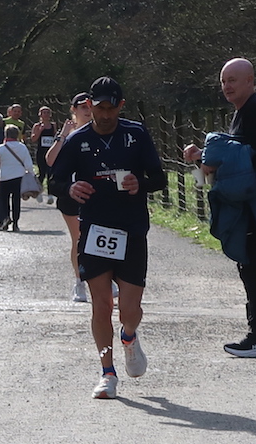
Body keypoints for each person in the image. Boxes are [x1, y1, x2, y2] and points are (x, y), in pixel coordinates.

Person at [50, 77, 167, 399]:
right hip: (95, 229)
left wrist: (140, 184)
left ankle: (129, 336)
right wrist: (70, 188)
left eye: (110, 109)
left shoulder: (136, 134)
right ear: (89, 106)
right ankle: (107, 373)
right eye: (99, 108)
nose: (104, 115)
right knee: (101, 305)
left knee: (130, 309)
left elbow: (159, 178)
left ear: (120, 106)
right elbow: (54, 182)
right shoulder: (77, 140)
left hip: (131, 228)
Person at [183, 58, 256, 358]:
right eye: (223, 81)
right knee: (249, 265)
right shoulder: (244, 111)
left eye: (232, 80)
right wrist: (205, 157)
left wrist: (206, 157)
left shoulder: (255, 110)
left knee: (252, 265)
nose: (226, 86)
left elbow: (248, 157)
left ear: (250, 81)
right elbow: (235, 153)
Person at [45, 92, 94, 303]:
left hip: (95, 193)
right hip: (71, 193)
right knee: (79, 238)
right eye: (82, 107)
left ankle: (104, 277)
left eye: (89, 106)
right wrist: (63, 135)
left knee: (97, 235)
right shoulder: (67, 133)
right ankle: (79, 281)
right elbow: (50, 160)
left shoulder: (100, 130)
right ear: (73, 109)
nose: (87, 110)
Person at [0, 124, 34, 232]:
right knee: (16, 201)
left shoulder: (1, 148)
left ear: (6, 134)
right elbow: (28, 164)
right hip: (19, 177)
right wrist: (31, 174)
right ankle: (16, 223)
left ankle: (5, 218)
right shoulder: (22, 147)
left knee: (3, 200)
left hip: (3, 177)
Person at [31, 105, 57, 204]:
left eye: (47, 113)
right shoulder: (37, 126)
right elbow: (33, 139)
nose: (46, 114)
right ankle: (38, 191)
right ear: (40, 114)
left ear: (50, 115)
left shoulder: (53, 125)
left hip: (51, 152)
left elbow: (55, 137)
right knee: (42, 173)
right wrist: (40, 130)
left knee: (51, 173)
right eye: (44, 113)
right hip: (41, 152)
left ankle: (50, 194)